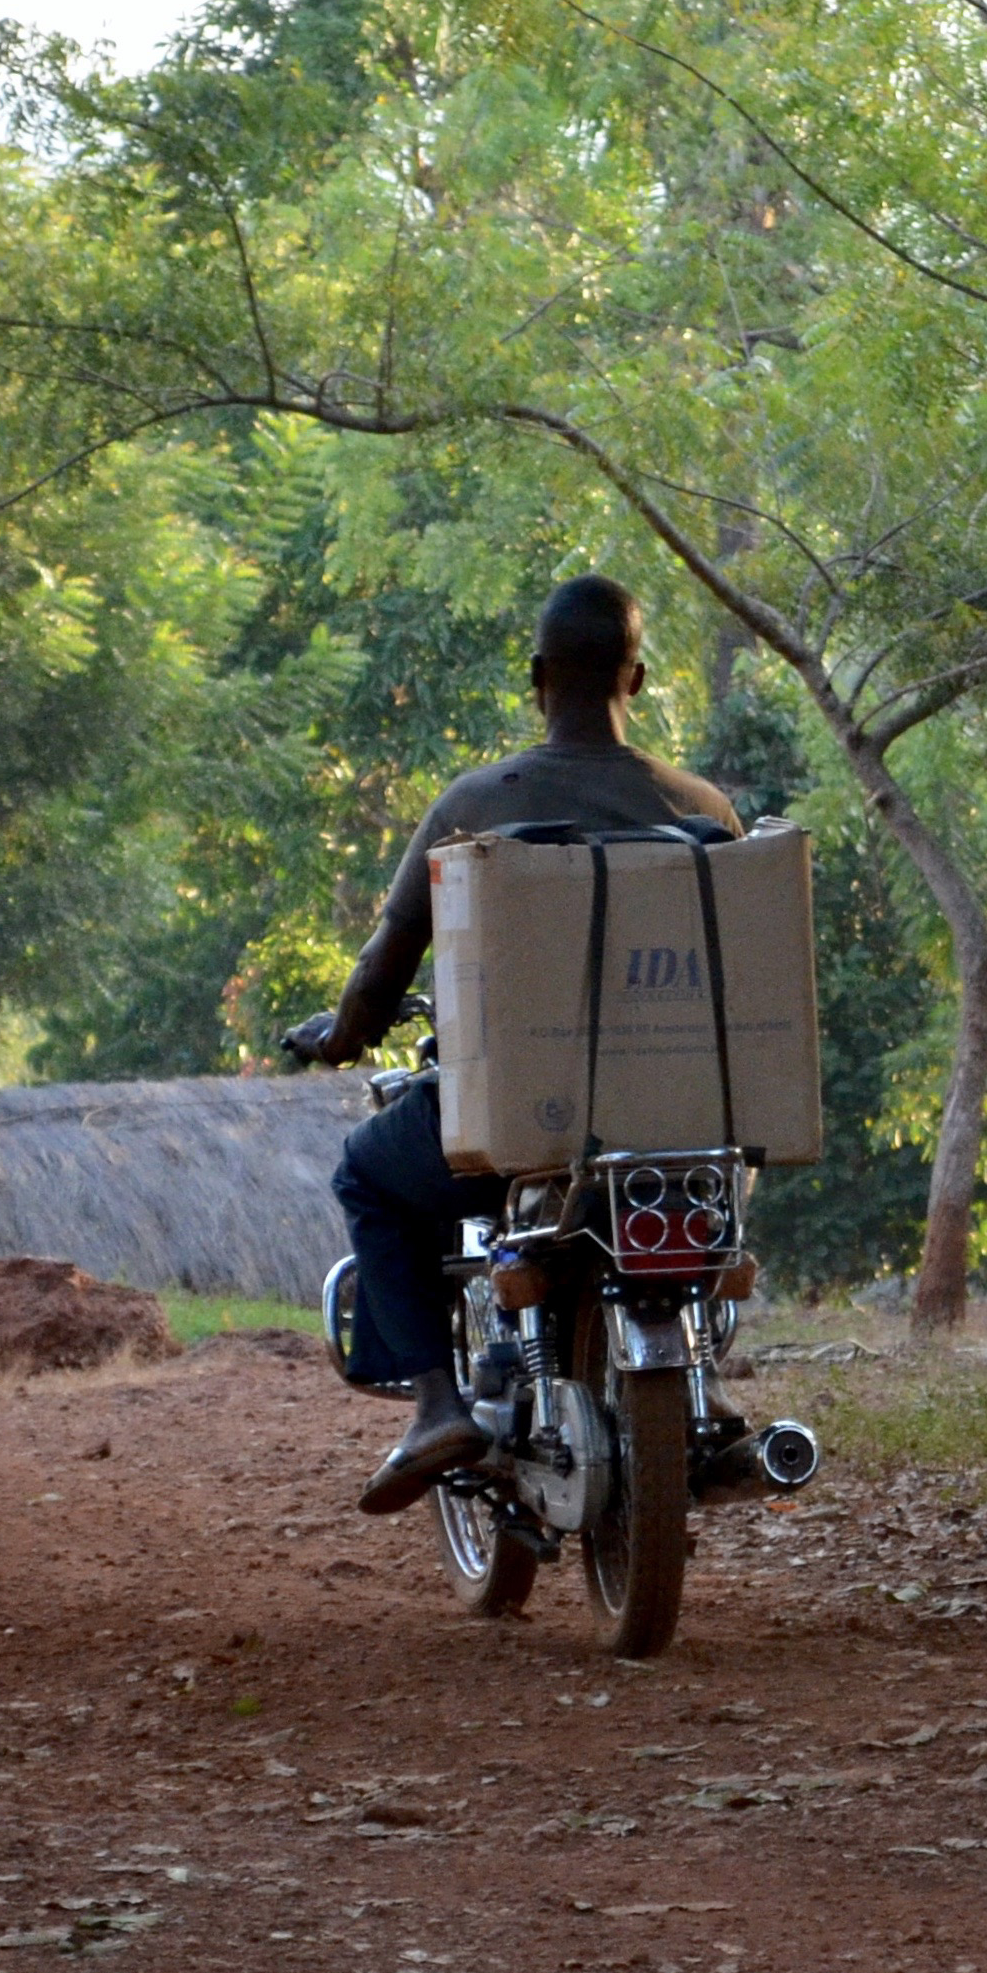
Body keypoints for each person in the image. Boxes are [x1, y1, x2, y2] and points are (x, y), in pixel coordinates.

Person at [281, 574, 741, 1512]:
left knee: (367, 1173)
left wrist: (340, 1036)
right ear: (637, 678)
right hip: (673, 1127)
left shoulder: (476, 804)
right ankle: (706, 1380)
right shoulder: (707, 814)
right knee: (710, 1179)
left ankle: (436, 1406)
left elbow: (382, 968)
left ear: (536, 677)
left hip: (517, 1129)